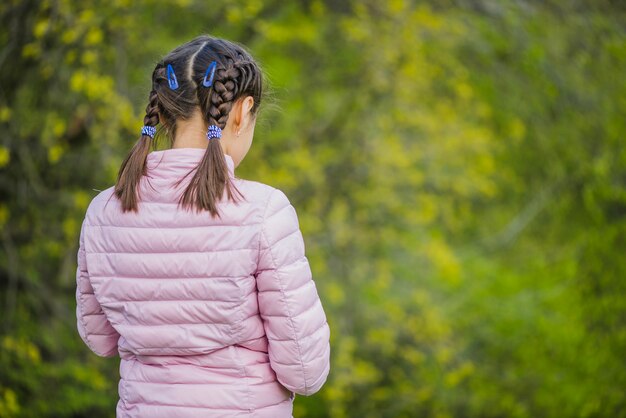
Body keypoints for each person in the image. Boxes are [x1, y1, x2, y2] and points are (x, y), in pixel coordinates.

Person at [74, 34, 331, 418]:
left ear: (160, 113)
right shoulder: (263, 211)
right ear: (242, 113)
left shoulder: (102, 211)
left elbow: (99, 338)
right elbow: (305, 371)